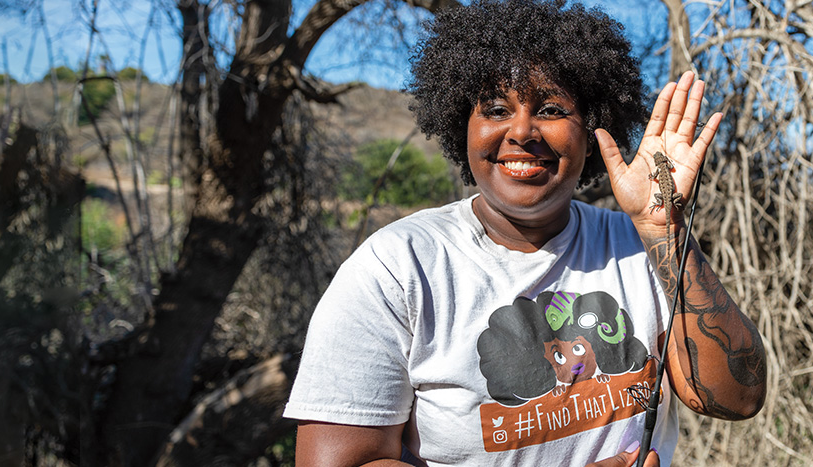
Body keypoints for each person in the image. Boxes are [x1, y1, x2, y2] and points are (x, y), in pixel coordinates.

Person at [284, 0, 767, 465]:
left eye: (552, 110)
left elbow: (736, 399)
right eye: (495, 108)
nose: (522, 132)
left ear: (592, 129)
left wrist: (665, 230)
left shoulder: (639, 247)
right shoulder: (397, 267)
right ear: (462, 126)